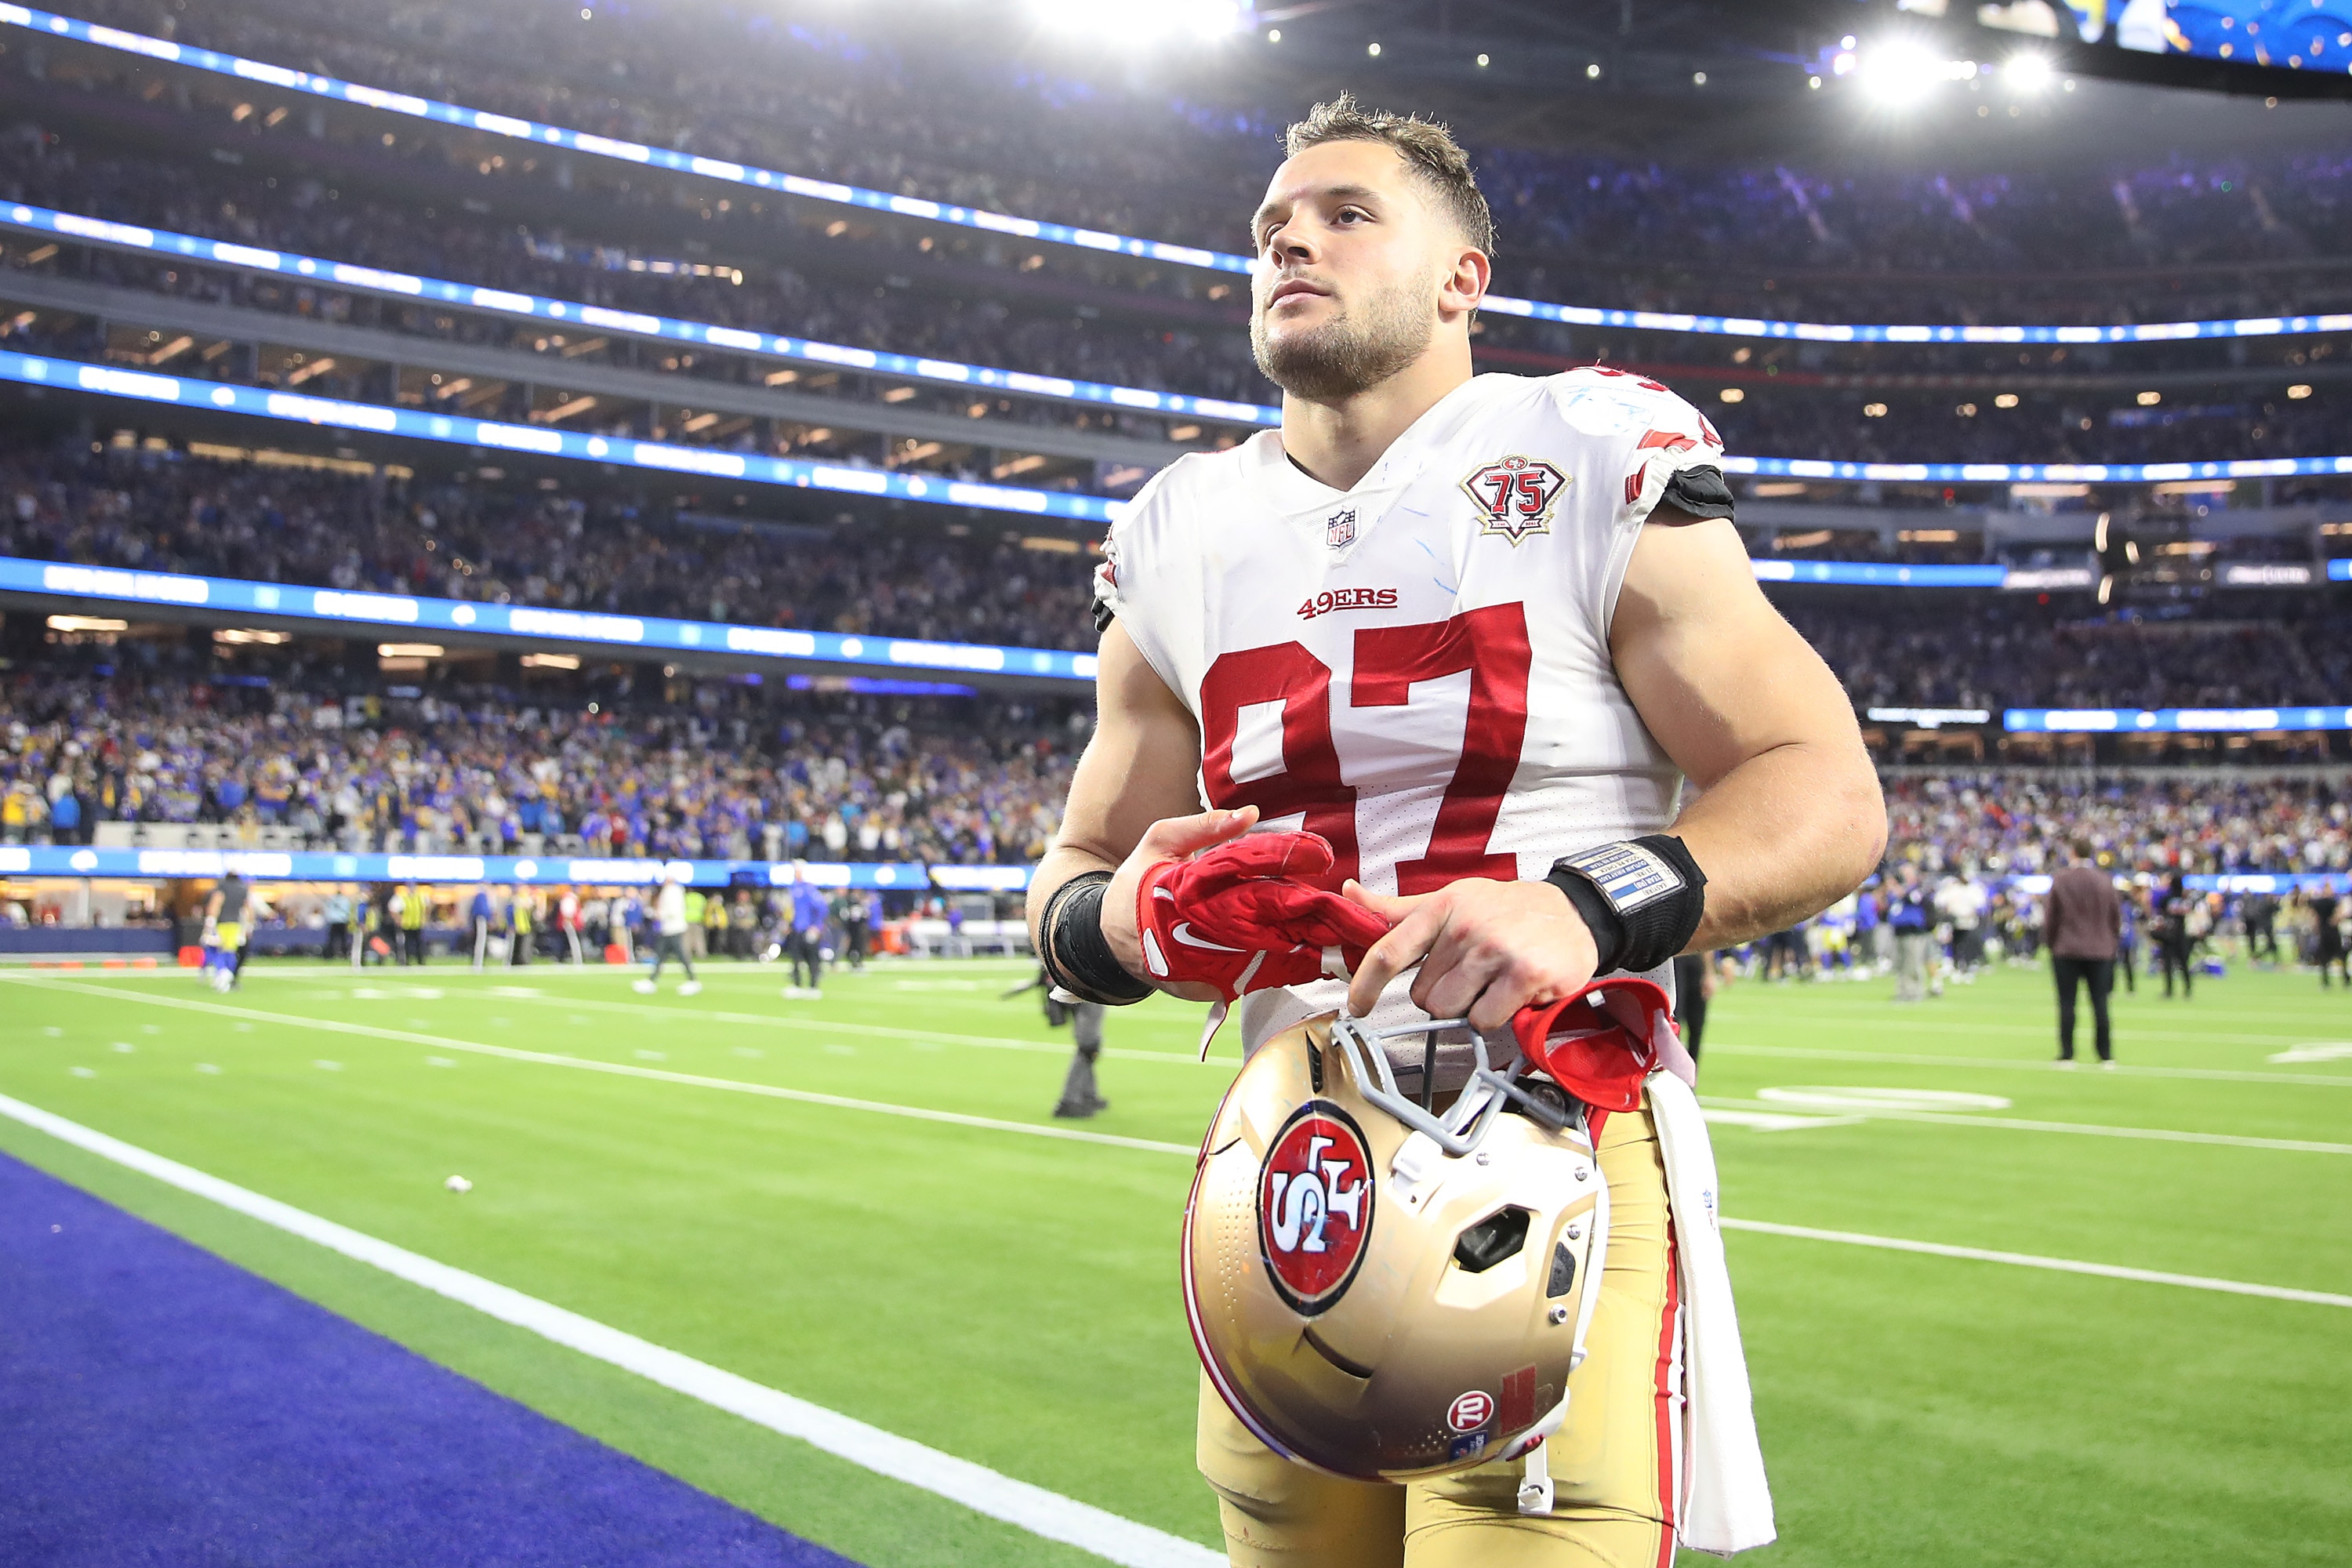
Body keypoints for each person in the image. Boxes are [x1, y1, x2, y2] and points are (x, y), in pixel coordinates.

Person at [1028, 97, 1878, 1565]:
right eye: (1271, 226)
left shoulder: (1581, 446)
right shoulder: (1177, 529)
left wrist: (1583, 906)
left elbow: (1824, 790)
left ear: (1461, 278)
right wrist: (1126, 922)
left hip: (1548, 1148)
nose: (1290, 239)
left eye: (1346, 213)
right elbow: (1076, 875)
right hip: (1290, 1168)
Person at [2045, 840, 2121, 1067]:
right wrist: (2111, 943)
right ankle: (2105, 1054)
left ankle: (2067, 1053)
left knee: (2067, 1002)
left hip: (2067, 947)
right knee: (2100, 1002)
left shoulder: (2062, 879)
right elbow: (2115, 916)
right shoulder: (2104, 880)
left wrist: (2051, 943)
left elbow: (2051, 916)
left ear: (2073, 853)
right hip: (2100, 949)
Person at [1006, 965, 1111, 1118]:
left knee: (1087, 1046)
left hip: (1071, 986)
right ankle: (1069, 1101)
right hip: (1089, 987)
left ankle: (1088, 1094)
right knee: (1088, 1047)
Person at [634, 868, 702, 996]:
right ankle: (652, 981)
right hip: (668, 928)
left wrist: (659, 914)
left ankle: (692, 981)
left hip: (673, 928)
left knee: (679, 956)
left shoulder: (673, 891)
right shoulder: (671, 891)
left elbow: (673, 911)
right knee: (662, 956)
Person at [782, 864, 829, 1000]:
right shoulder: (795, 888)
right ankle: (797, 985)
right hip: (797, 929)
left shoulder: (809, 890)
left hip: (808, 930)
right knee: (796, 957)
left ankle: (813, 986)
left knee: (811, 958)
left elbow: (821, 908)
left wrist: (816, 926)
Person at [1889, 863, 1933, 1002]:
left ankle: (1915, 992)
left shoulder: (1917, 888)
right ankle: (1903, 991)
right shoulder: (1896, 890)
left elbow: (1916, 899)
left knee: (1913, 963)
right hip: (1899, 931)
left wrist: (1902, 892)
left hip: (1913, 932)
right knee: (1901, 964)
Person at [201, 871, 250, 993]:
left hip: (222, 923)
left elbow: (216, 902)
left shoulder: (223, 886)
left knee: (220, 950)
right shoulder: (243, 888)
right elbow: (247, 908)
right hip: (235, 924)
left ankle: (222, 973)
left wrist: (210, 920)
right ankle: (227, 974)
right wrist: (248, 925)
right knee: (230, 951)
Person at [1671, 949, 1717, 1065]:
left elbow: (1707, 942)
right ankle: (1674, 1068)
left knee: (1697, 1023)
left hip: (1696, 959)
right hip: (1675, 960)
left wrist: (1709, 973)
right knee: (1675, 1020)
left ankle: (1692, 1071)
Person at [2154, 873, 2196, 999]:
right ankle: (2188, 989)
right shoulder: (2185, 899)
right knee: (2183, 963)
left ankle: (2169, 990)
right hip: (2181, 934)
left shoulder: (2167, 898)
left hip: (2168, 935)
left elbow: (2160, 913)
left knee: (2168, 964)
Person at [468, 884, 495, 970]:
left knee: (479, 941)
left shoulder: (479, 897)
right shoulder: (482, 896)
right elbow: (483, 910)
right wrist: (489, 919)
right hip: (481, 920)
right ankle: (478, 963)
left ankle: (477, 962)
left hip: (478, 920)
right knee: (481, 941)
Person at [321, 885, 352, 963]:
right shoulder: (345, 900)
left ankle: (330, 955)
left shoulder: (332, 899)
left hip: (334, 920)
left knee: (332, 939)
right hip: (342, 920)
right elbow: (348, 909)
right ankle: (344, 954)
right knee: (343, 939)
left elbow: (328, 908)